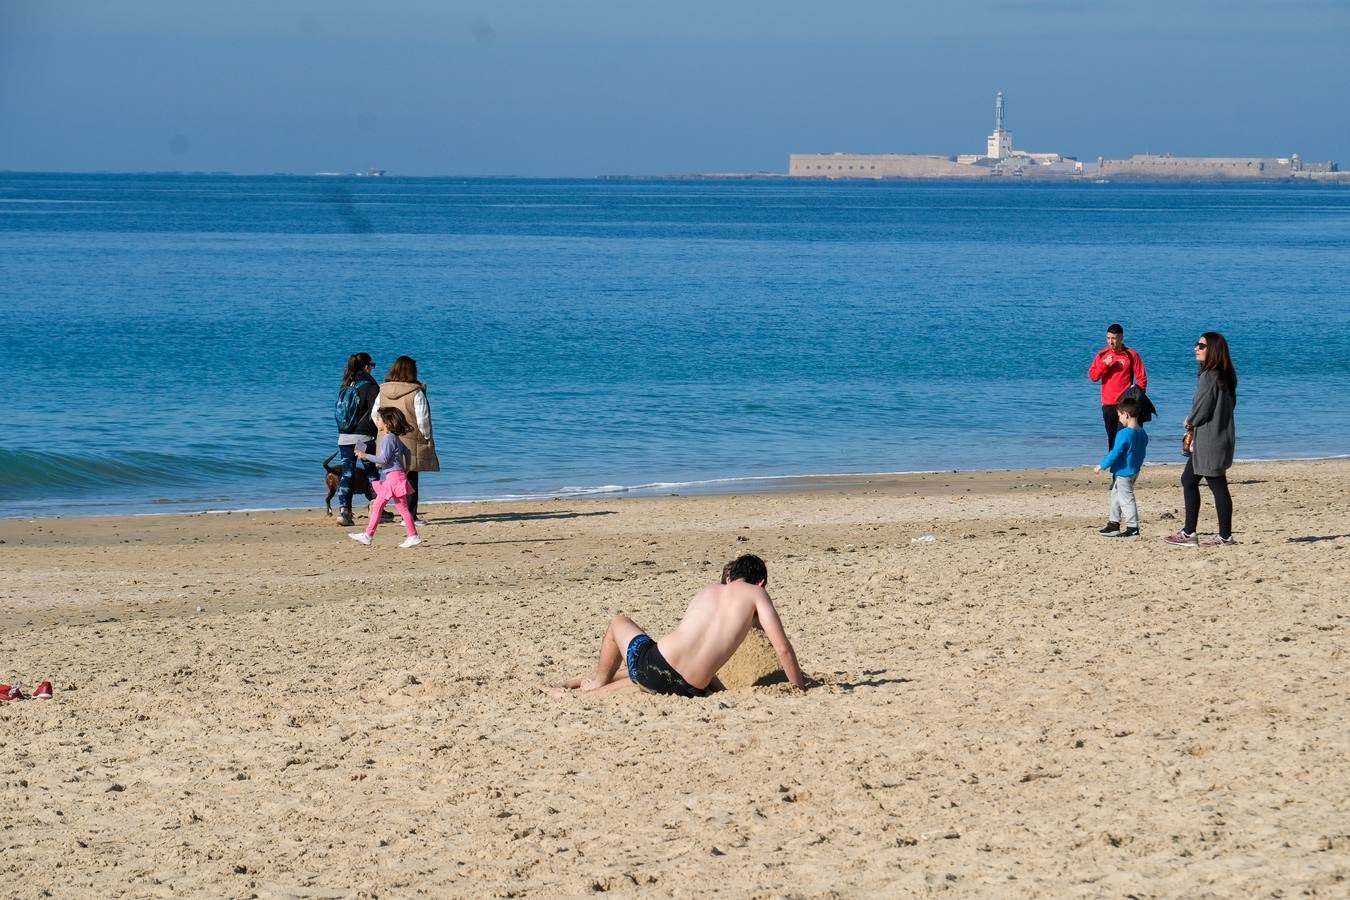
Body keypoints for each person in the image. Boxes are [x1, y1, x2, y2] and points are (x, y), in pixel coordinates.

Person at [555, 554, 806, 697]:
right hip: (690, 687)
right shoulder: (757, 596)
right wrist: (799, 687)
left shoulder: (710, 591)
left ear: (729, 578)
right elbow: (782, 648)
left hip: (655, 669)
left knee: (618, 623)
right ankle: (584, 688)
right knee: (648, 674)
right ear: (761, 582)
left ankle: (595, 683)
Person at [1166, 332, 1238, 548]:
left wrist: (1190, 421)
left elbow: (1202, 407)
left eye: (1201, 345)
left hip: (1210, 440)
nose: (1195, 348)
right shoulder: (1226, 376)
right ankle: (1190, 532)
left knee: (1217, 485)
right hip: (1220, 437)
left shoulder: (1210, 376)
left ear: (1213, 350)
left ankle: (1223, 536)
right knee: (1189, 480)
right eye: (1196, 344)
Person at [374, 356, 439, 525]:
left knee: (390, 475)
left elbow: (374, 414)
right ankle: (410, 515)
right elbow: (422, 418)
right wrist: (427, 437)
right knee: (410, 476)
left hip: (386, 438)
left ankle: (381, 510)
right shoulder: (415, 392)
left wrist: (382, 430)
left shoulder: (382, 390)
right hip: (409, 439)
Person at [349, 408, 422, 549]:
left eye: (379, 419)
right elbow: (407, 451)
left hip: (393, 479)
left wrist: (365, 456)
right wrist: (406, 468)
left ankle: (369, 536)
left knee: (384, 507)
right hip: (396, 476)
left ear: (387, 423)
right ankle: (411, 535)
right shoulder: (394, 437)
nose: (377, 421)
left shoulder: (388, 438)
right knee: (395, 508)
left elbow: (383, 459)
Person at [334, 352, 381, 528]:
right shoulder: (370, 387)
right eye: (372, 365)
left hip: (344, 437)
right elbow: (375, 414)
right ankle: (377, 508)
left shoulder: (345, 386)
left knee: (347, 472)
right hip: (362, 438)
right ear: (366, 367)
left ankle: (344, 511)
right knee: (371, 472)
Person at [1093, 397, 1149, 538]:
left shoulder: (1124, 433)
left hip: (1125, 471)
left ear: (1126, 414)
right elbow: (1142, 452)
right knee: (1116, 495)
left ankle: (1133, 527)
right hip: (1134, 470)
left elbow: (1115, 452)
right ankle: (1113, 524)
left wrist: (1102, 465)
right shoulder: (1142, 432)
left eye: (1119, 416)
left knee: (1126, 498)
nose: (1119, 420)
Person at [1088, 324, 1148, 450]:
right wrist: (1104, 365)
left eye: (1114, 338)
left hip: (1125, 404)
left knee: (1126, 438)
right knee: (1112, 439)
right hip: (1108, 404)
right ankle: (1115, 468)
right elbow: (1093, 377)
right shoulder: (1102, 355)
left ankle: (1128, 466)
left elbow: (1142, 378)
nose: (1111, 341)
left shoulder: (1131, 355)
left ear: (1121, 338)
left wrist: (1136, 398)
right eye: (1108, 338)